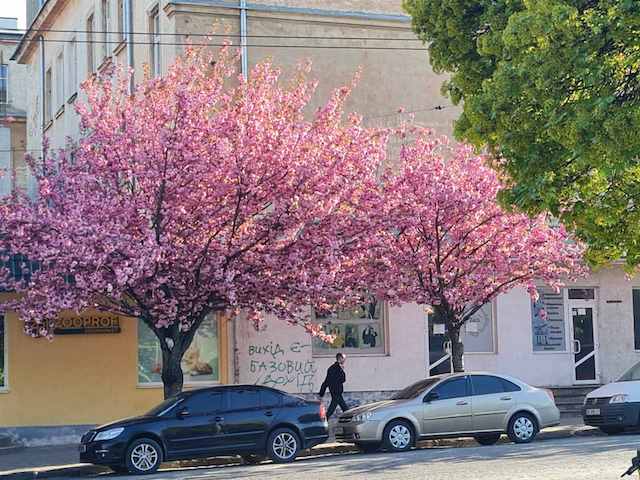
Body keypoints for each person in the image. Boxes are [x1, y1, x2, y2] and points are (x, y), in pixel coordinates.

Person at [318, 353, 348, 418]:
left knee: (345, 409)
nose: (344, 360)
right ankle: (323, 421)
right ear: (340, 359)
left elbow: (326, 382)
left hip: (335, 392)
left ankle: (348, 422)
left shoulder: (331, 368)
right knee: (332, 410)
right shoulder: (338, 369)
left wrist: (321, 393)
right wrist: (342, 370)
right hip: (336, 393)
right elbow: (343, 379)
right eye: (343, 359)